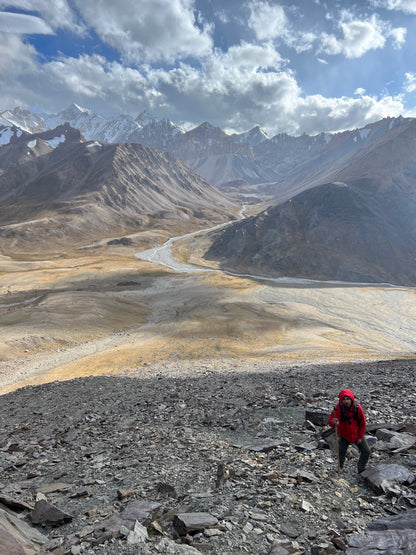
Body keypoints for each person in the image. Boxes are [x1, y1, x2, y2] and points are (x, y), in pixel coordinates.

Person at [329, 388, 370, 474]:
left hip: (356, 434)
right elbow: (332, 422)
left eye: (347, 399)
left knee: (366, 451)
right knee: (341, 452)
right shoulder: (338, 408)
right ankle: (340, 467)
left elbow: (363, 423)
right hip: (344, 434)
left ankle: (361, 467)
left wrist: (360, 437)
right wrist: (333, 422)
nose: (346, 401)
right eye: (343, 399)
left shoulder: (357, 408)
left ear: (351, 399)